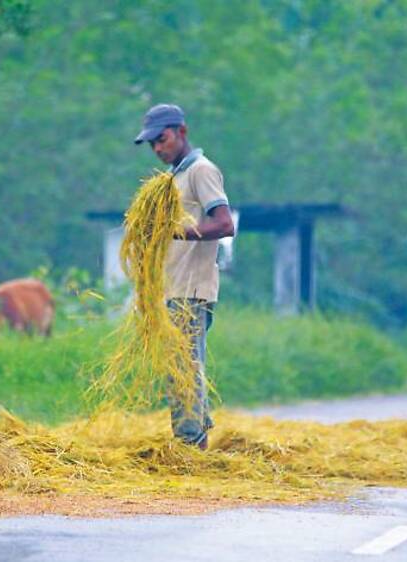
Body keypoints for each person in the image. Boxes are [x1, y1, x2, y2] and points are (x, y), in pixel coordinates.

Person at [134, 104, 235, 450]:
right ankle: (191, 439)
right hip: (173, 288)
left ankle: (190, 446)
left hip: (192, 290)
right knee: (177, 367)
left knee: (184, 368)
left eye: (162, 139)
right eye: (153, 145)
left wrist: (175, 232)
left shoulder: (201, 171)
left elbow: (224, 224)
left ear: (182, 131)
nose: (158, 149)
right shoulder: (175, 177)